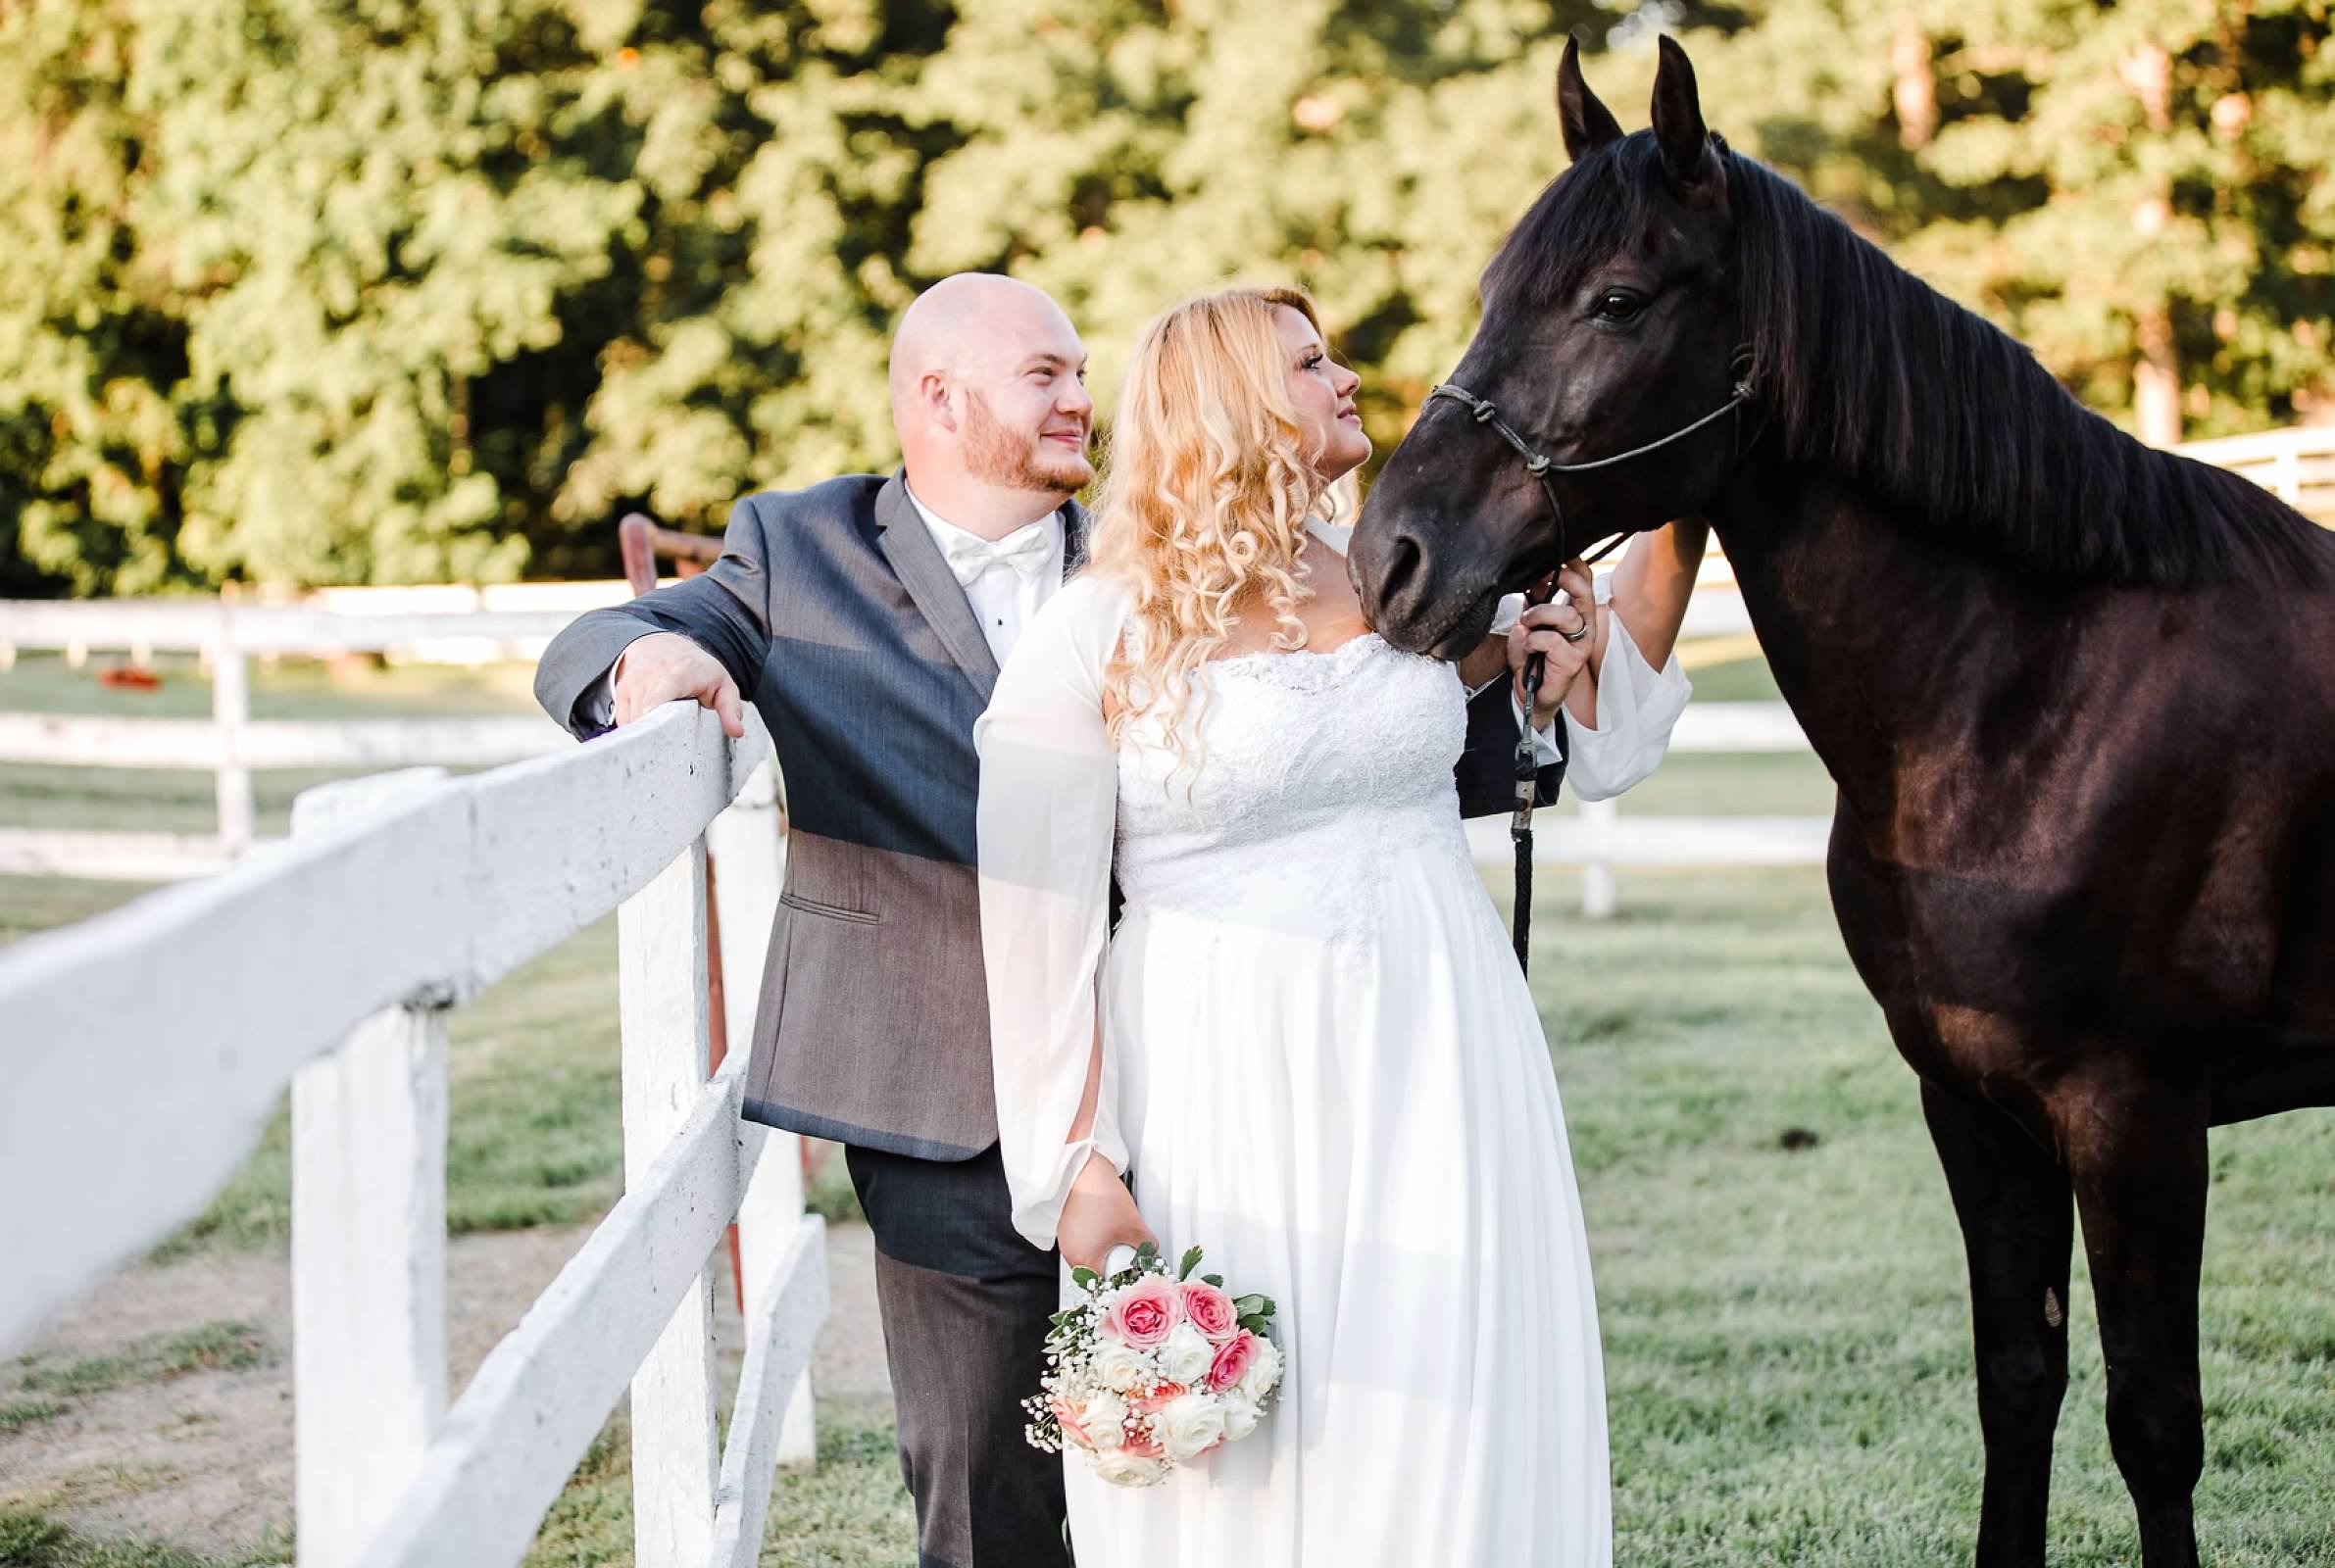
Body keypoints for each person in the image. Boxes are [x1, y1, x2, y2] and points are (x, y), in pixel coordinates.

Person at [530, 271, 1591, 1567]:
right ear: (938, 394)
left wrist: (1523, 672)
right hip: (944, 1079)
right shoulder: (801, 551)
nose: (1080, 397)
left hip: (1234, 1053)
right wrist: (646, 663)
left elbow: (1368, 754)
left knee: (1325, 1408)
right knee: (993, 1482)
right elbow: (624, 632)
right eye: (1043, 374)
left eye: (1085, 371)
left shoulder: (1189, 557)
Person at [973, 285, 1703, 1566]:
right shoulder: (1095, 629)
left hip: (1443, 1040)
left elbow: (1614, 747)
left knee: (1454, 1377)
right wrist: (1077, 1162)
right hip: (1224, 1067)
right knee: (1264, 1428)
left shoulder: (1406, 581)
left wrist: (1577, 635)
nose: (1346, 378)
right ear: (1238, 405)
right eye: (1310, 364)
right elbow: (1032, 929)